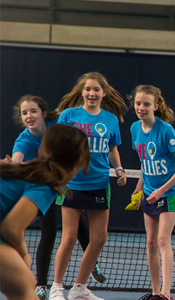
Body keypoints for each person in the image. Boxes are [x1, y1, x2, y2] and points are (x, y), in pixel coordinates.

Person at [52, 72, 128, 300]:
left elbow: (113, 149)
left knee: (99, 238)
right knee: (69, 237)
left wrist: (119, 169)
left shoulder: (111, 120)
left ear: (103, 93)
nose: (91, 93)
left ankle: (79, 288)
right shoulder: (68, 115)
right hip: (72, 185)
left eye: (96, 90)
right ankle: (57, 287)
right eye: (88, 89)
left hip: (99, 185)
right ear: (81, 92)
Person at [0, 124, 90, 300]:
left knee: (26, 288)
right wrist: (24, 254)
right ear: (78, 162)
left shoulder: (32, 171)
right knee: (24, 286)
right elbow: (10, 228)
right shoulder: (45, 184)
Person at [129, 85, 175, 300]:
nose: (141, 108)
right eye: (138, 103)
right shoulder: (135, 129)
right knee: (151, 242)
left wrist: (161, 190)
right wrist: (139, 189)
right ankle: (155, 292)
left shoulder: (166, 131)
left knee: (164, 239)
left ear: (155, 106)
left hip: (170, 192)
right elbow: (144, 163)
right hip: (148, 193)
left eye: (146, 104)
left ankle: (166, 293)